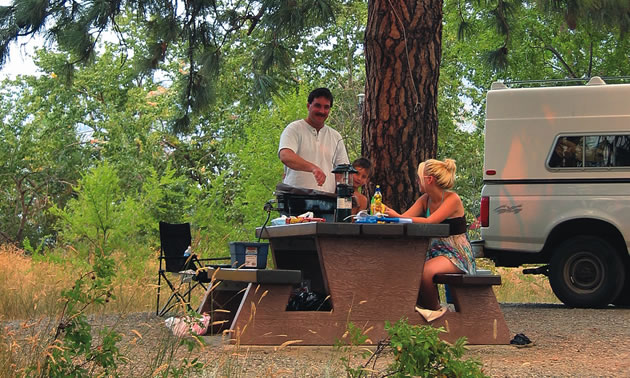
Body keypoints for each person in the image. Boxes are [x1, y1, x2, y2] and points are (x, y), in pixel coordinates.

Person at [384, 158, 476, 322]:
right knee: (409, 269)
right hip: (435, 251)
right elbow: (404, 219)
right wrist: (386, 214)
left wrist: (396, 217)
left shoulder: (452, 199)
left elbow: (430, 221)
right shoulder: (425, 199)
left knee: (425, 272)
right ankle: (422, 309)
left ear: (429, 179)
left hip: (456, 253)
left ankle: (436, 312)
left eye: (419, 177)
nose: (417, 181)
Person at [278, 88, 349, 193]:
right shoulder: (294, 129)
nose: (322, 111)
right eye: (317, 106)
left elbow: (343, 172)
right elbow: (285, 156)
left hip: (326, 203)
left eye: (326, 107)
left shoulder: (335, 136)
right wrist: (313, 168)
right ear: (308, 106)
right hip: (295, 201)